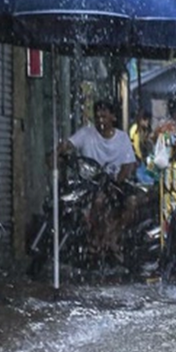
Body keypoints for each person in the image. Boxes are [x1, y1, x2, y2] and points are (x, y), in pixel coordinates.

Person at [57, 99, 137, 259]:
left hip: (115, 183)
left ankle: (112, 235)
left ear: (113, 117)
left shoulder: (122, 138)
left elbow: (128, 165)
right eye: (97, 114)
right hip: (89, 185)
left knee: (133, 202)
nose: (100, 117)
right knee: (96, 201)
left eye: (104, 114)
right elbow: (69, 144)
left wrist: (117, 183)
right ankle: (94, 238)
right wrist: (58, 151)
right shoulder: (86, 133)